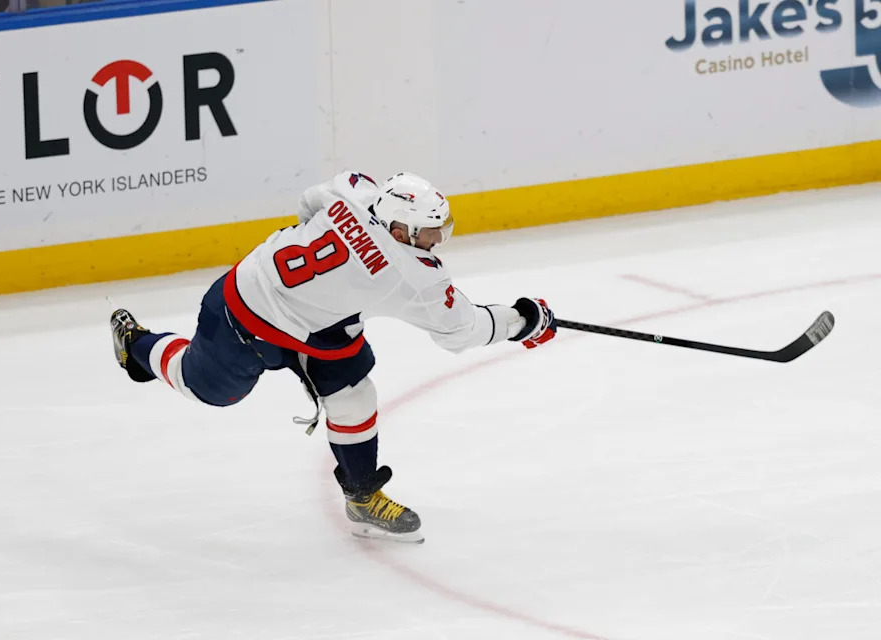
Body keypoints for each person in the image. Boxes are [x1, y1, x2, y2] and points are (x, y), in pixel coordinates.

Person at [110, 171, 557, 543]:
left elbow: (310, 201)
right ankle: (137, 346)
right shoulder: (408, 275)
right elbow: (462, 330)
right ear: (400, 230)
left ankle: (362, 497)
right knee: (204, 387)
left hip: (315, 321)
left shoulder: (357, 190)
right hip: (246, 314)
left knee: (355, 395)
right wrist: (524, 320)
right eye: (430, 233)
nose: (439, 240)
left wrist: (329, 283)